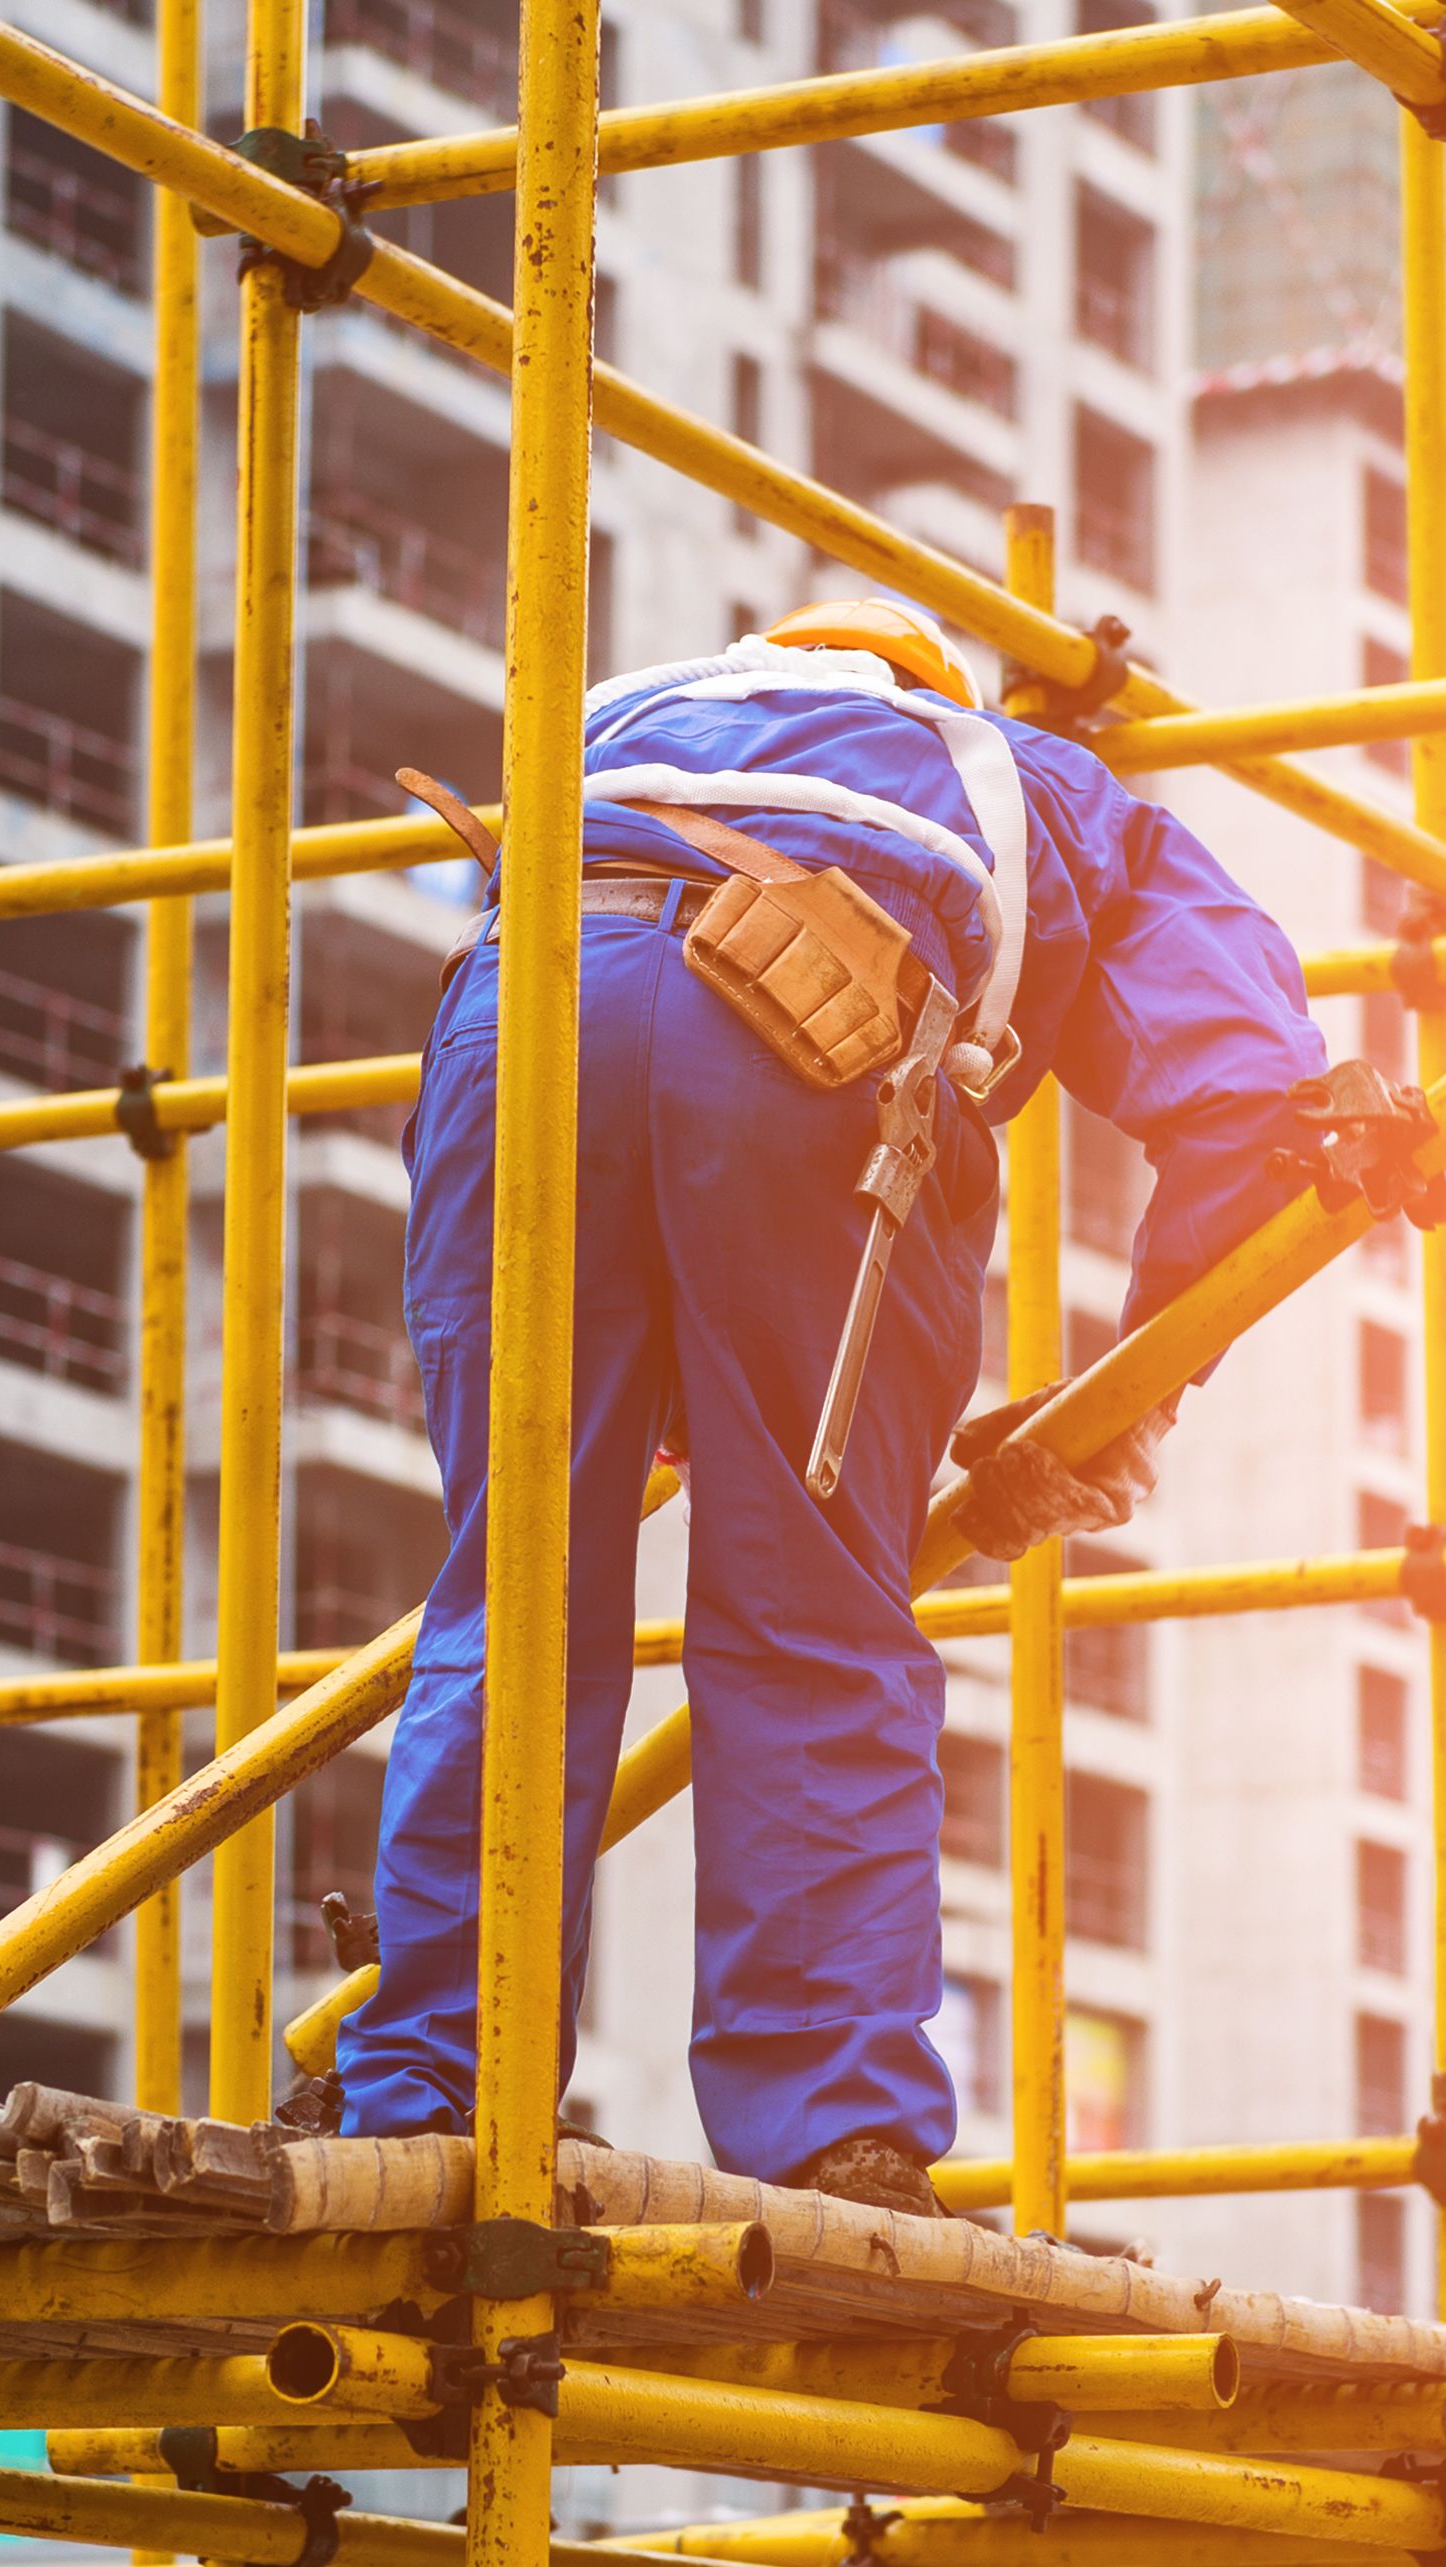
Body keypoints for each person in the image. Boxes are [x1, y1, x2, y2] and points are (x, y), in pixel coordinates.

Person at [343, 602, 1343, 2214]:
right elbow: (1249, 1094)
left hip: (511, 1024)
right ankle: (828, 2121)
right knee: (807, 1614)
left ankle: (426, 2092)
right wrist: (1140, 1381)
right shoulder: (1027, 775)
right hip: (816, 1036)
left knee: (508, 1599)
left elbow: (586, 1068)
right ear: (923, 681)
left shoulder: (607, 719)